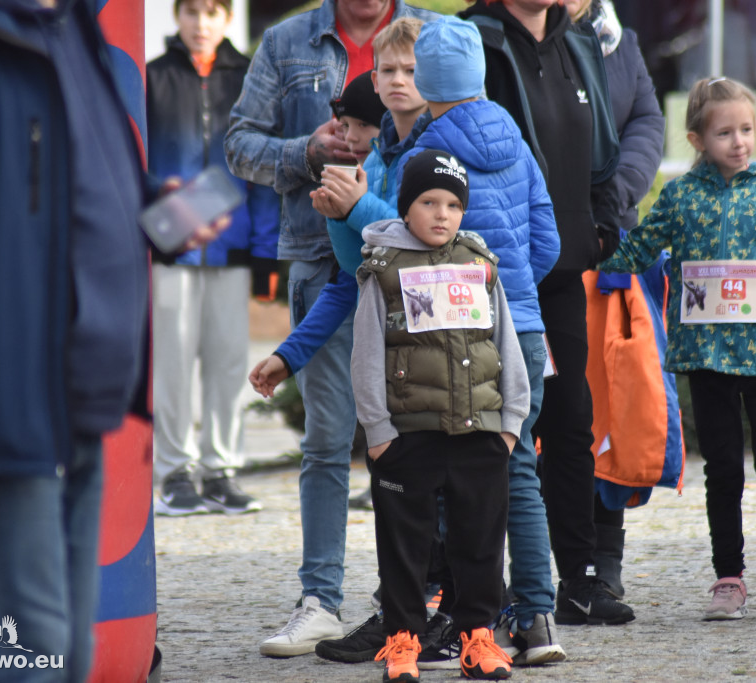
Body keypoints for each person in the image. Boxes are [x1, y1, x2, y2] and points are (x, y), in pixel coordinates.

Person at [0, 0, 225, 680]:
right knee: (26, 655)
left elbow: (76, 193)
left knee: (65, 654)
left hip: (83, 407)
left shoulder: (73, 35)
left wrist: (163, 214)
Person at [224, 0, 437, 658]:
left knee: (422, 441)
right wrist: (304, 150)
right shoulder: (286, 39)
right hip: (323, 262)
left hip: (414, 275)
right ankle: (320, 598)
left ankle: (416, 597)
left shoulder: (434, 33)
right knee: (325, 439)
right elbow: (238, 143)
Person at [599, 76, 756, 621]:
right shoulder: (680, 197)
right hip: (705, 360)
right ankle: (729, 578)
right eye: (724, 132)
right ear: (698, 139)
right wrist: (597, 263)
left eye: (746, 129)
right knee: (723, 469)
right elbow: (641, 243)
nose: (739, 141)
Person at [386, 16, 566, 668]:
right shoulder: (516, 139)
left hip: (451, 333)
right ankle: (539, 614)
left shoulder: (424, 153)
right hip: (525, 326)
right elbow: (546, 241)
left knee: (448, 478)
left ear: (428, 86)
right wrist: (514, 290)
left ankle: (455, 621)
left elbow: (392, 236)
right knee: (518, 471)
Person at [459, 0, 636, 627]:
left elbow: (605, 157)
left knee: (570, 422)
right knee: (488, 431)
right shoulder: (471, 39)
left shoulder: (578, 42)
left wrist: (604, 223)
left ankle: (580, 581)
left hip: (560, 273)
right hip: (486, 275)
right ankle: (487, 589)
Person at [353, 148, 526, 683]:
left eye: (453, 204)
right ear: (407, 206)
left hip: (480, 432)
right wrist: (378, 432)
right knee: (404, 547)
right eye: (429, 201)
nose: (442, 214)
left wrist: (512, 423)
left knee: (478, 544)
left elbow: (506, 341)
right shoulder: (382, 271)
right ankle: (402, 641)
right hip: (407, 437)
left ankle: (478, 638)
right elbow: (364, 354)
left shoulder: (479, 262)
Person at [147, 0, 279, 516]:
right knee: (173, 363)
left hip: (233, 244)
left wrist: (266, 252)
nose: (201, 24)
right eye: (192, 12)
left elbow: (262, 169)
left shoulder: (250, 79)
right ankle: (175, 472)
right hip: (171, 248)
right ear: (177, 17)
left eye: (212, 13)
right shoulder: (151, 78)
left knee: (227, 362)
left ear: (227, 19)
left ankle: (220, 469)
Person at [568, 0, 673, 600]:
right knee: (552, 415)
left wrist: (614, 196)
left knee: (610, 406)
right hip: (547, 242)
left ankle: (604, 564)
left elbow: (646, 126)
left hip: (612, 243)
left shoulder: (620, 42)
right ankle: (545, 568)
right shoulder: (512, 42)